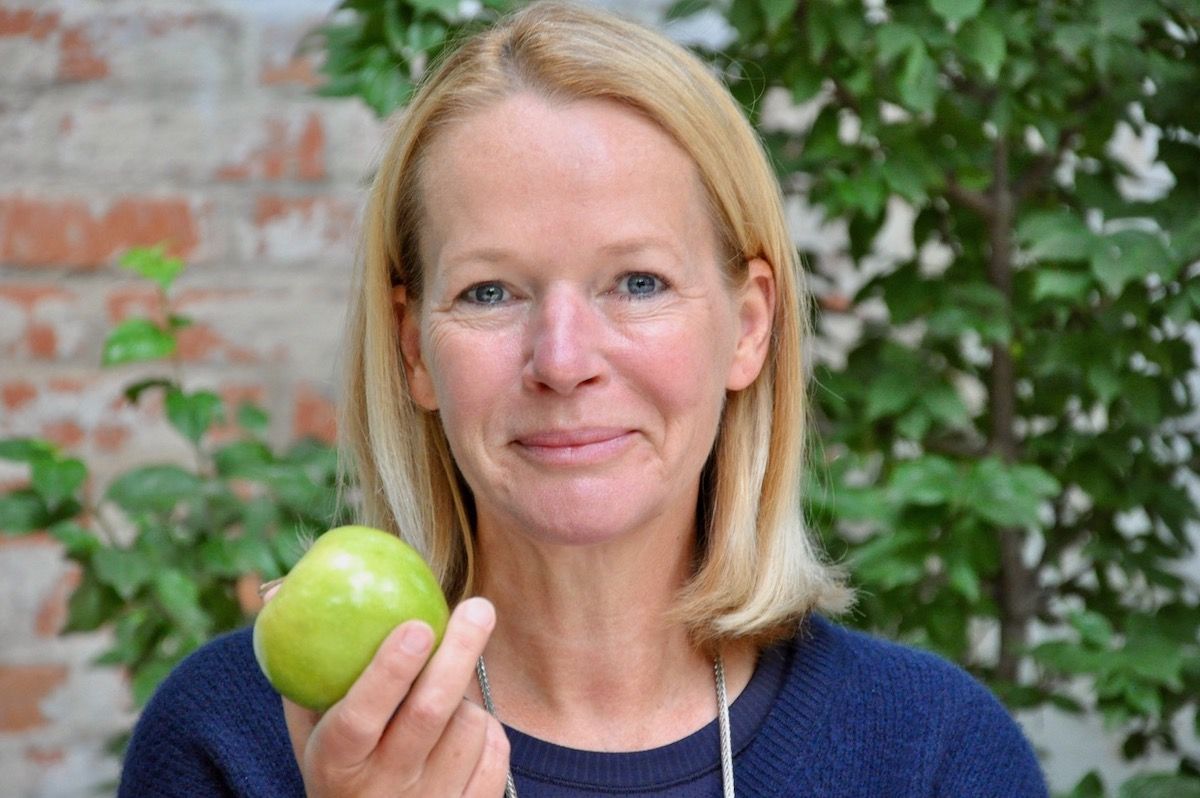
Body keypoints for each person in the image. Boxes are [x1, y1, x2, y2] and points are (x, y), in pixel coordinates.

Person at [118, 2, 1049, 796]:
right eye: (490, 292)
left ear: (749, 325)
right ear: (412, 348)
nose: (562, 362)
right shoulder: (231, 742)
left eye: (638, 283)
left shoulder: (934, 755)